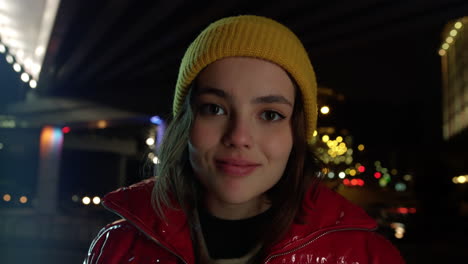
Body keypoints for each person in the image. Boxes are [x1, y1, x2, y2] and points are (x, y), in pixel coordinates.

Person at [84, 15, 405, 264]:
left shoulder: (366, 256)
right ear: (186, 123)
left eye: (269, 114)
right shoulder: (117, 248)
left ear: (296, 132)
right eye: (214, 108)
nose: (239, 137)